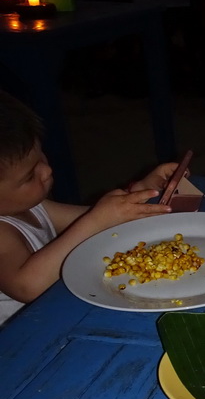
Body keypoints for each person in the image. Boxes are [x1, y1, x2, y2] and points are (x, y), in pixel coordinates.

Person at [0, 91, 179, 325]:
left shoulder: (34, 206)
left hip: (57, 308)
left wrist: (140, 193)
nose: (47, 171)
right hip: (23, 339)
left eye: (40, 157)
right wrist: (96, 221)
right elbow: (26, 286)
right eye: (28, 177)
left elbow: (90, 219)